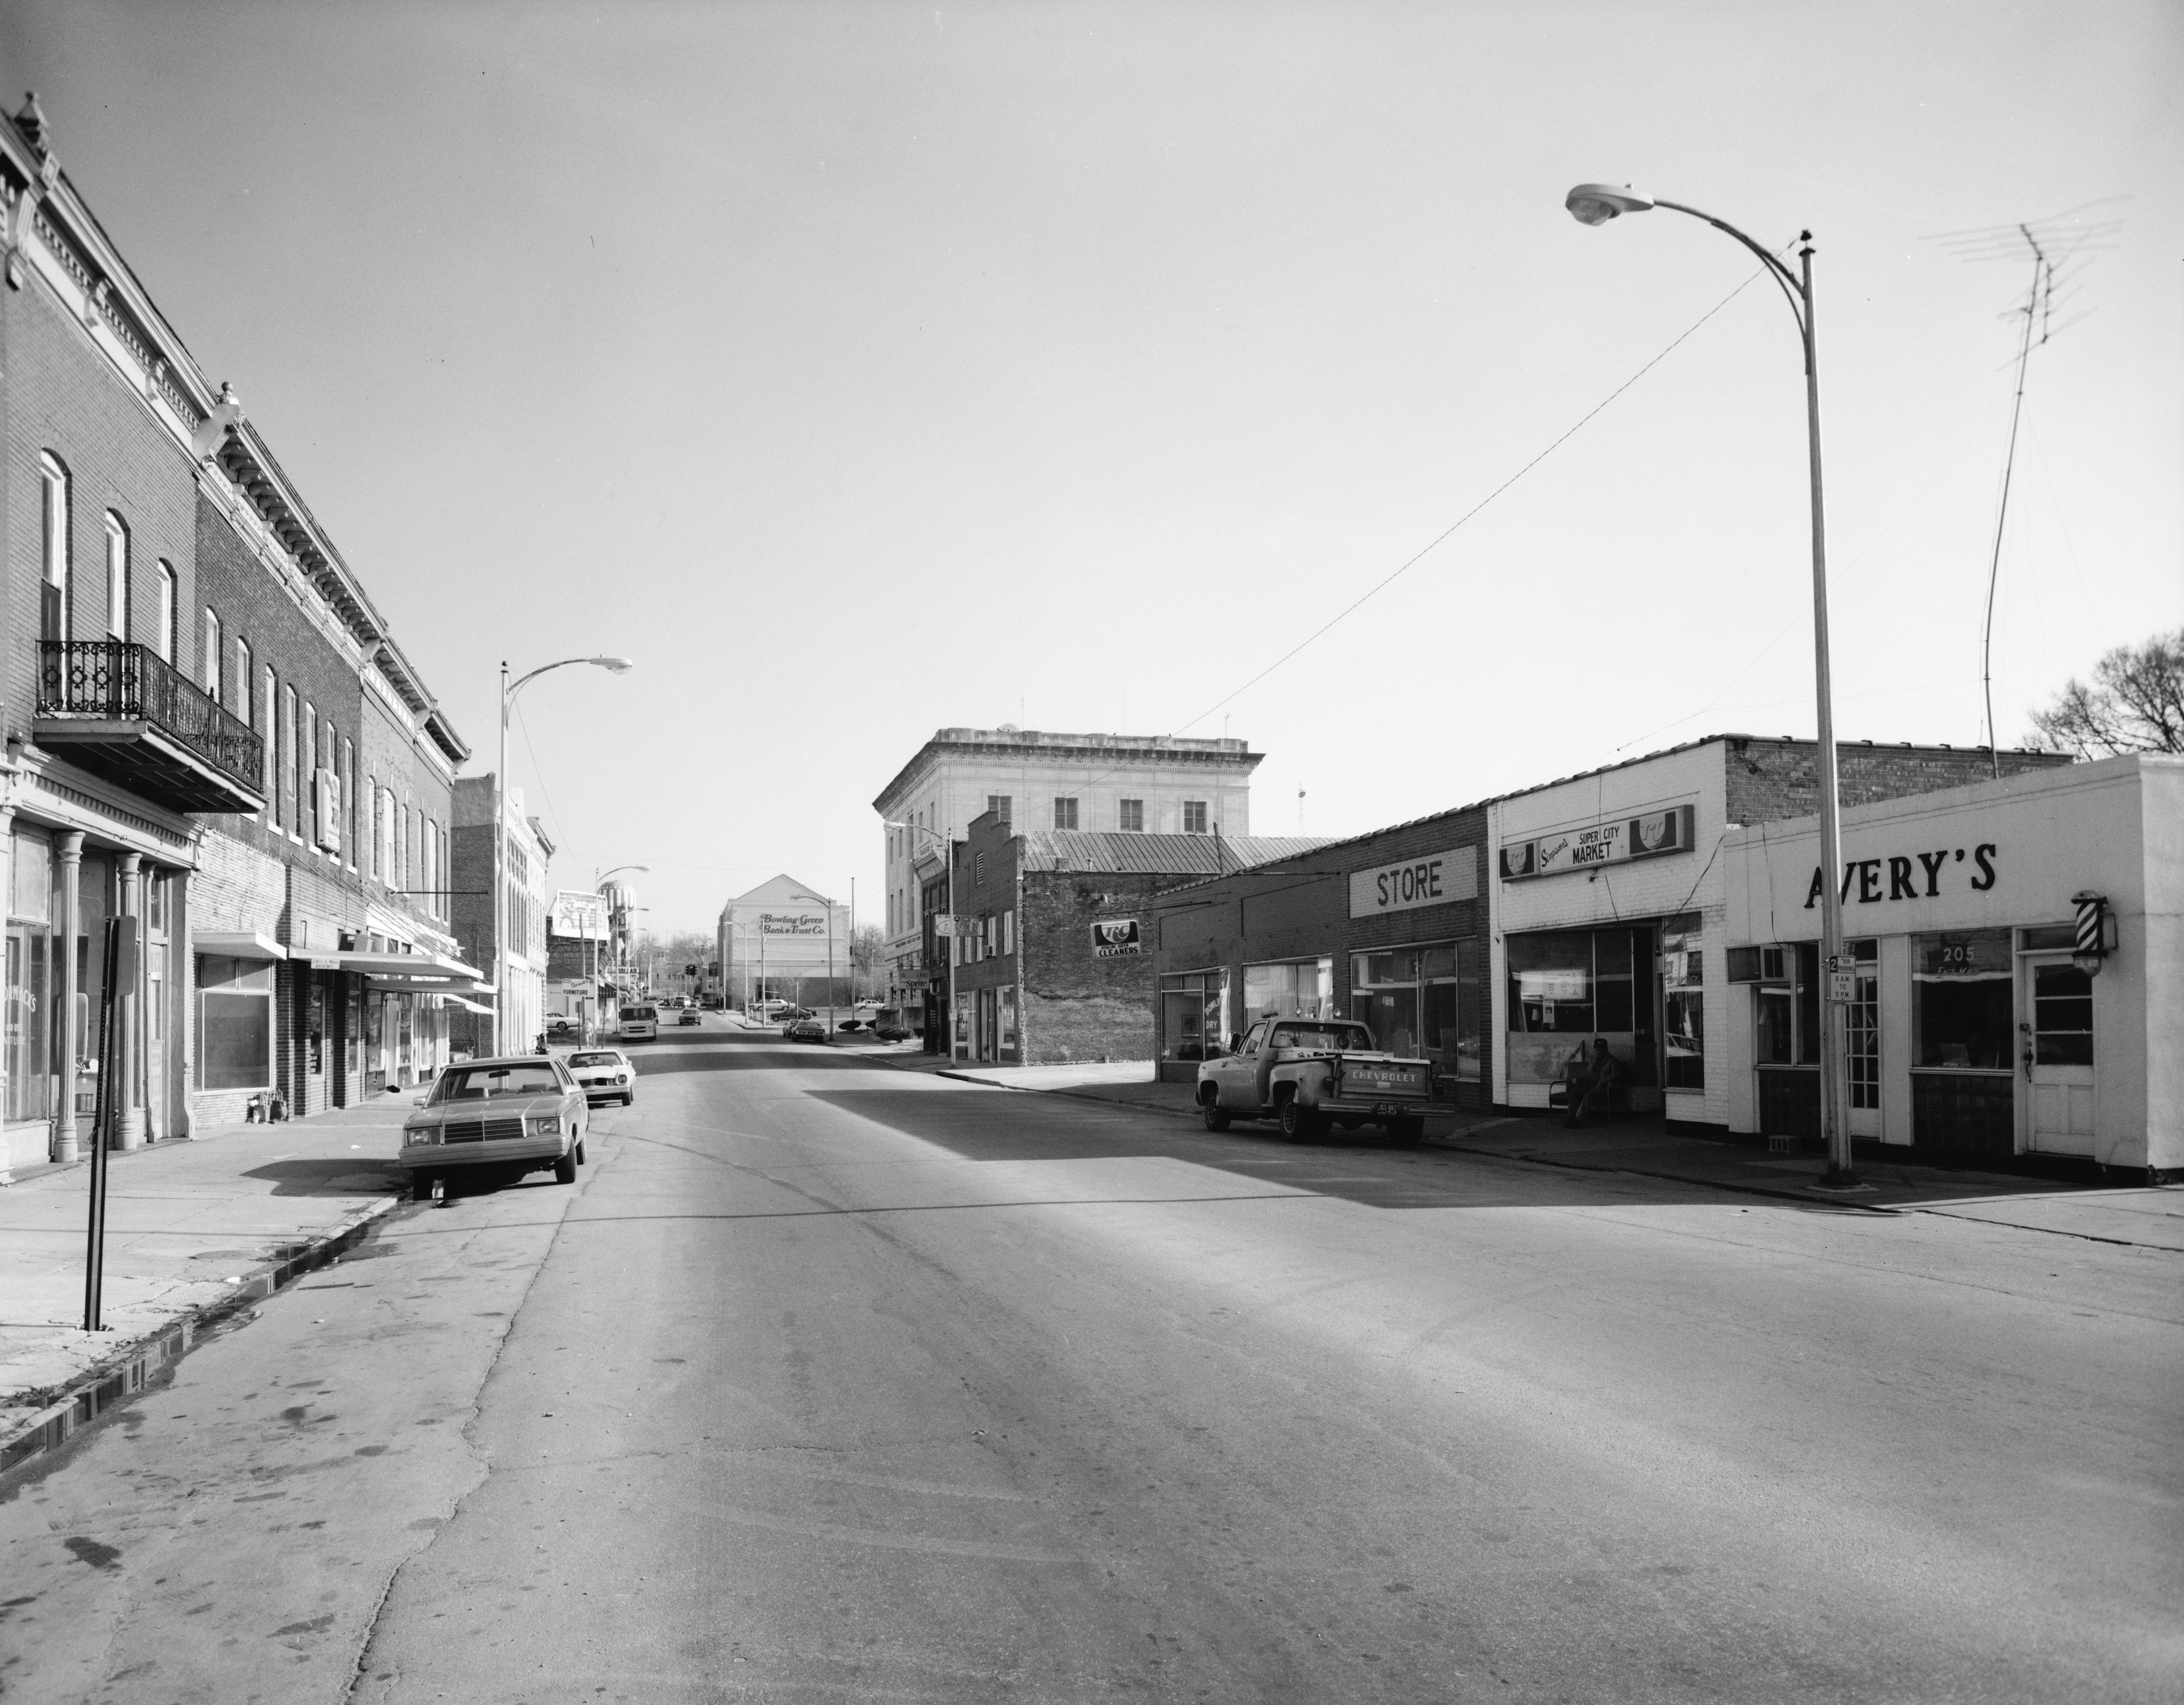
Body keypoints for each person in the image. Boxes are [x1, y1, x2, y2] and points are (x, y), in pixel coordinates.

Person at [1563, 1037, 1621, 1128]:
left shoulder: (1613, 1061)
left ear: (1606, 1050)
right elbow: (1587, 1075)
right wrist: (1579, 1080)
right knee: (1574, 1091)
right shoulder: (1594, 1060)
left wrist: (1603, 1081)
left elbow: (1616, 1075)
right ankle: (1571, 1118)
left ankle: (1579, 1120)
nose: (1599, 1052)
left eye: (1601, 1050)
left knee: (1589, 1093)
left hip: (1602, 1088)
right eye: (1597, 1050)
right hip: (1590, 1086)